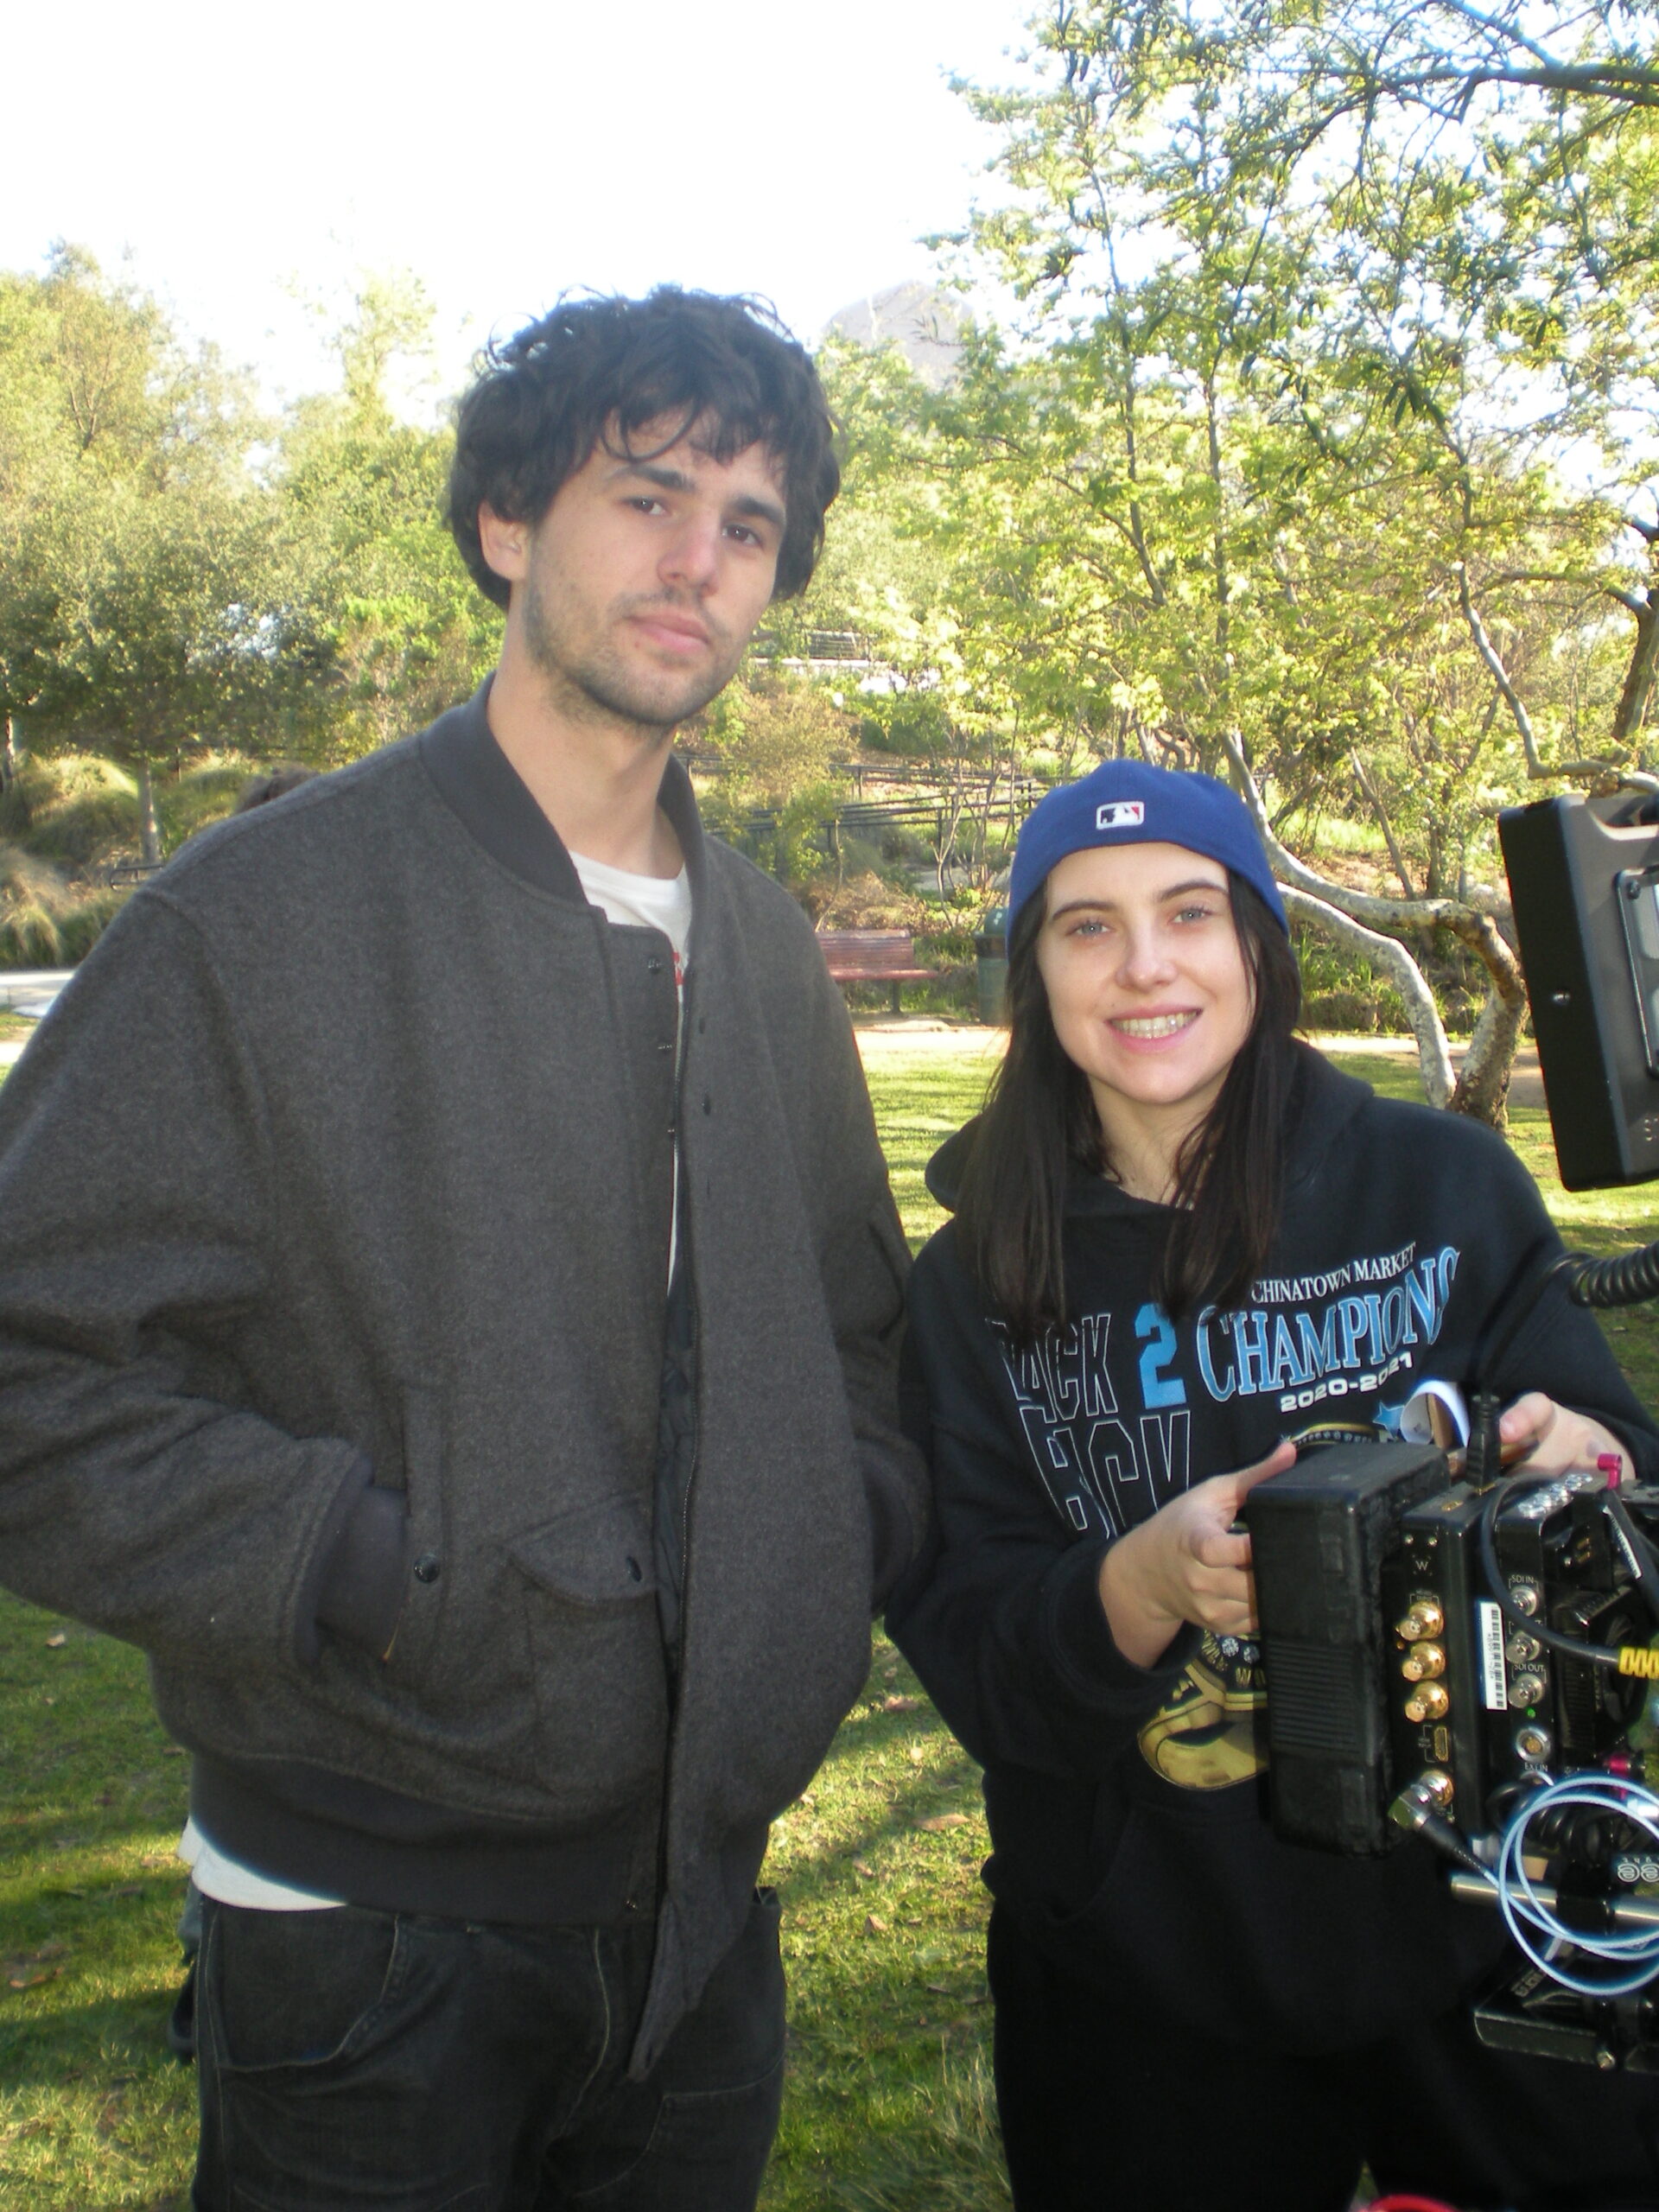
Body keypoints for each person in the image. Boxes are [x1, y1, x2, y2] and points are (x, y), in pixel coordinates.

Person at [0, 287, 926, 2210]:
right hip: (363, 1940)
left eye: (749, 525)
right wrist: (363, 1559)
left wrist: (833, 1538)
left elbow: (857, 1333)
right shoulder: (261, 918)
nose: (698, 559)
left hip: (703, 1928)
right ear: (508, 522)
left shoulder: (766, 952)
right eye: (646, 495)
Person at [887, 759, 1659, 2212]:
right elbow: (977, 1647)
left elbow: (1628, 1478)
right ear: (1033, 974)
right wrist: (1143, 1582)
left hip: (1490, 1921)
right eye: (1088, 926)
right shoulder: (975, 1283)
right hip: (1148, 1967)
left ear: (1258, 944)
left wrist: (1587, 1461)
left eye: (1189, 912)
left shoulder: (1444, 1187)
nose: (1146, 965)